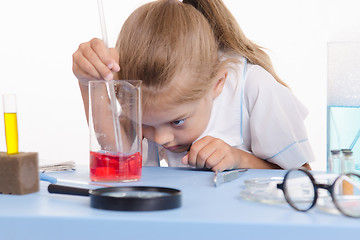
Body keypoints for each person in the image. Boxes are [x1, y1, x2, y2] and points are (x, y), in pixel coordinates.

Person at [72, 0, 314, 171]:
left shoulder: (256, 88)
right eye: (144, 123)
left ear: (217, 84)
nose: (163, 138)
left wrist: (239, 159)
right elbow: (118, 151)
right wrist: (89, 82)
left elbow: (302, 176)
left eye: (177, 121)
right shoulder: (146, 93)